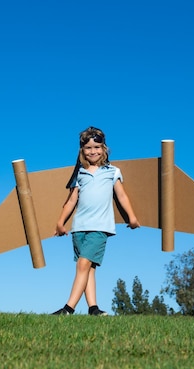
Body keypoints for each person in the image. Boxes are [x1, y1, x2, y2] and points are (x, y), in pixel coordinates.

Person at [52, 126, 140, 316]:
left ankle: (68, 309)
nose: (93, 151)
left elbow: (122, 197)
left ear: (104, 148)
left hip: (99, 227)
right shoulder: (80, 174)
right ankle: (93, 308)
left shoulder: (112, 172)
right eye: (88, 148)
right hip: (79, 228)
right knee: (88, 269)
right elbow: (71, 201)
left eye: (97, 147)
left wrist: (132, 218)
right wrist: (60, 223)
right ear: (82, 151)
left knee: (83, 265)